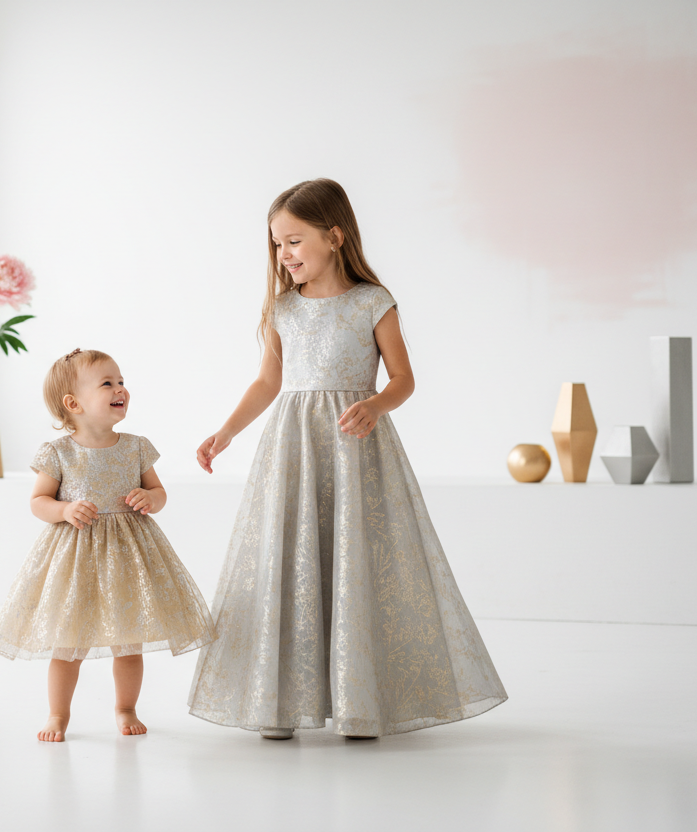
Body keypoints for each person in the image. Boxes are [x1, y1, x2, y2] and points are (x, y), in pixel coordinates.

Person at [187, 179, 507, 740]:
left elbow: (403, 378)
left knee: (353, 562)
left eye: (293, 241)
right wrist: (226, 432)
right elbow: (268, 381)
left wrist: (376, 405)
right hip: (294, 450)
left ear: (334, 236)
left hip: (355, 448)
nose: (283, 255)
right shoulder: (283, 309)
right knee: (292, 561)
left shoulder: (372, 302)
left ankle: (360, 702)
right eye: (276, 245)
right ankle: (281, 703)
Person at [0, 349, 216, 742]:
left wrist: (152, 500)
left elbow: (158, 492)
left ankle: (126, 706)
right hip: (75, 559)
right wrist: (64, 509)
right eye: (107, 383)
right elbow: (38, 502)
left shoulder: (135, 446)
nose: (120, 389)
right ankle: (58, 714)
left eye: (122, 381)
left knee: (127, 641)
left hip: (128, 556)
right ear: (73, 404)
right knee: (67, 644)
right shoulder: (59, 452)